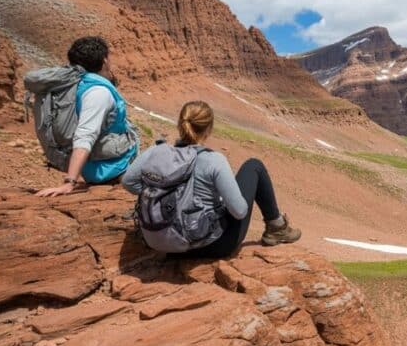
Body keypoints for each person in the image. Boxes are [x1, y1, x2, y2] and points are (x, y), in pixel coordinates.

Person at [122, 100, 301, 258]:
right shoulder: (213, 160)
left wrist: (159, 195)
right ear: (208, 129)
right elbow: (239, 211)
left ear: (180, 124)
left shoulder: (156, 151)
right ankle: (277, 227)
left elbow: (128, 181)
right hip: (209, 246)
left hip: (160, 242)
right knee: (254, 166)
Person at [35, 36, 138, 197]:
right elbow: (85, 135)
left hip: (99, 167)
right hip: (111, 170)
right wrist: (69, 182)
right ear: (104, 61)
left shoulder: (77, 85)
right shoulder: (98, 92)